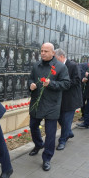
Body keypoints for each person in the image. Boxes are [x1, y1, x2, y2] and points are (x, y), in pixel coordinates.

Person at [28, 43, 70, 171]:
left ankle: (47, 158)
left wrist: (51, 83)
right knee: (33, 126)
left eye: (46, 51)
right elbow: (30, 79)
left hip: (52, 104)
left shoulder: (61, 67)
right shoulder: (36, 65)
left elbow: (66, 84)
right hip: (37, 103)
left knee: (50, 133)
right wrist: (31, 85)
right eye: (41, 51)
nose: (43, 53)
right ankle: (38, 144)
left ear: (53, 53)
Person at [54, 49, 82, 151]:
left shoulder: (73, 65)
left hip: (71, 98)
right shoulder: (56, 66)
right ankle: (68, 133)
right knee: (60, 118)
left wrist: (64, 84)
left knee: (66, 120)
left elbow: (77, 80)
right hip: (60, 98)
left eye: (56, 59)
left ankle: (62, 141)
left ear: (61, 56)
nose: (55, 61)